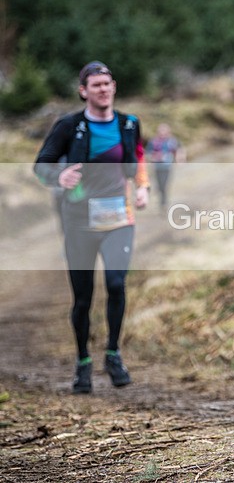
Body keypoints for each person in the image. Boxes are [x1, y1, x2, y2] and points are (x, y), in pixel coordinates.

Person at [34, 61, 150, 394]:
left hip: (118, 218)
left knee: (116, 283)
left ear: (114, 87)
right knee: (82, 298)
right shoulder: (69, 126)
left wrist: (142, 187)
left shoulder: (129, 124)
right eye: (95, 84)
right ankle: (83, 361)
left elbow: (138, 157)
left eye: (107, 83)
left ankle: (113, 353)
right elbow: (41, 164)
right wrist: (58, 176)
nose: (102, 89)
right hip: (79, 221)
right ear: (83, 91)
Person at [146, 123, 184, 210]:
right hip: (157, 167)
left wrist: (180, 160)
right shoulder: (153, 141)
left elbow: (179, 149)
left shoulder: (172, 141)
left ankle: (163, 203)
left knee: (165, 185)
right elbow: (147, 153)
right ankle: (161, 199)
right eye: (160, 131)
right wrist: (155, 157)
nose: (162, 133)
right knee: (159, 185)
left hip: (167, 167)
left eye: (164, 131)